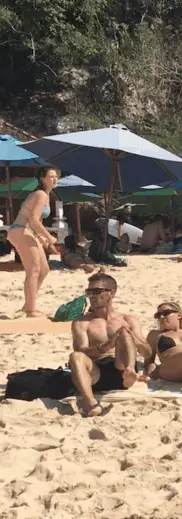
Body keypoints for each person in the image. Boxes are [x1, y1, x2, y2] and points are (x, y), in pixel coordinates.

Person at [68, 273, 154, 417]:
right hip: (96, 372)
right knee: (75, 356)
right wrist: (106, 346)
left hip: (120, 368)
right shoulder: (82, 322)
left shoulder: (128, 319)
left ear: (111, 293)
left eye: (97, 291)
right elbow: (80, 350)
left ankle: (130, 372)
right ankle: (92, 405)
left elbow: (147, 353)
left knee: (124, 334)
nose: (92, 296)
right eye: (89, 292)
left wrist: (133, 339)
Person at [7, 165, 59, 317]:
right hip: (21, 230)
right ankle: (31, 311)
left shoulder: (45, 195)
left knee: (44, 269)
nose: (54, 179)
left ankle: (28, 306)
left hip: (26, 230)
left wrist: (41, 237)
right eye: (51, 176)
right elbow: (33, 220)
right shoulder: (41, 194)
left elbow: (36, 222)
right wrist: (50, 238)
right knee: (34, 270)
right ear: (42, 178)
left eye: (56, 176)